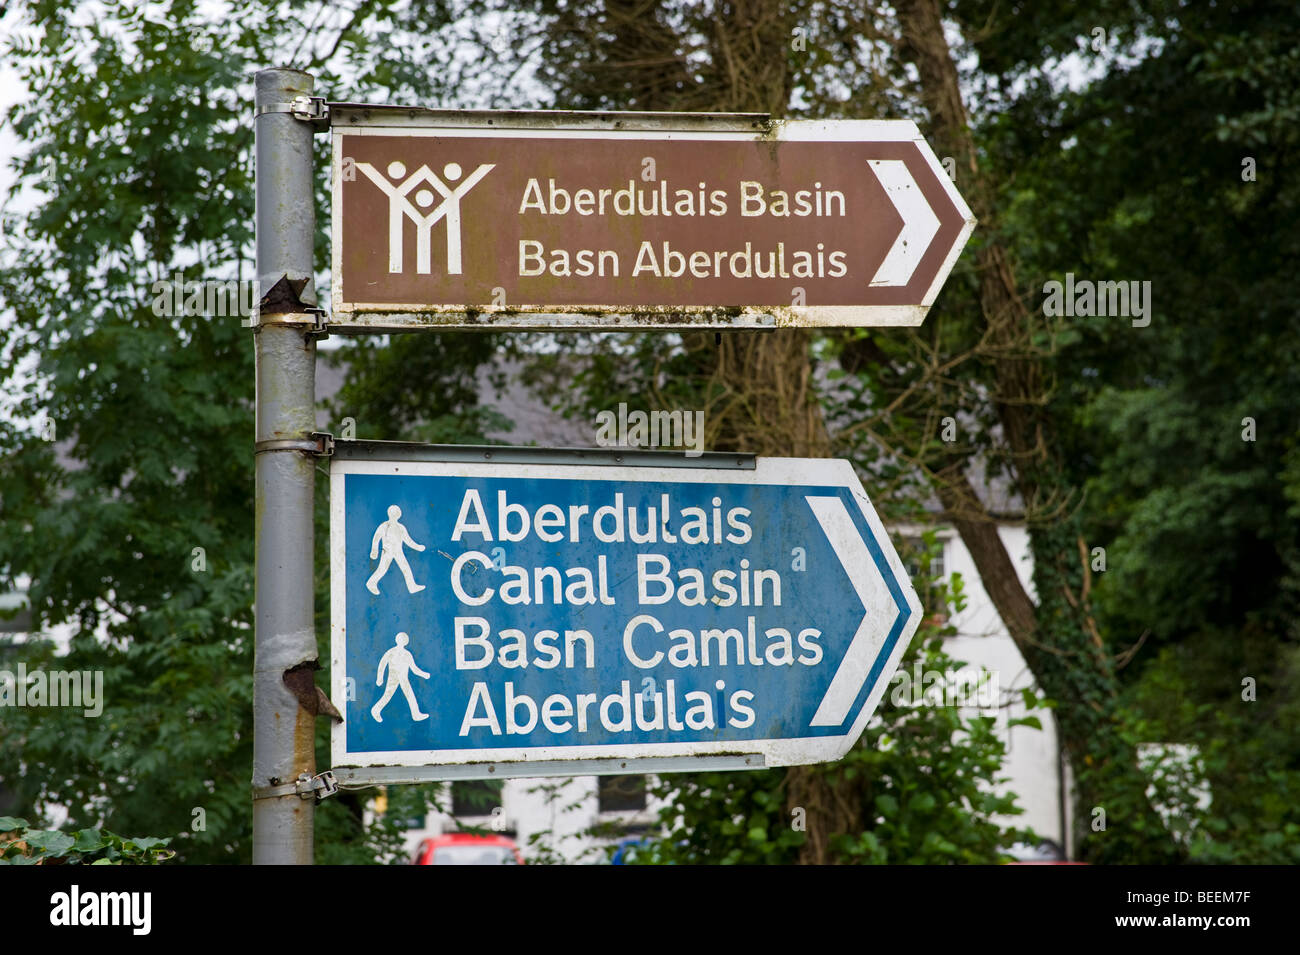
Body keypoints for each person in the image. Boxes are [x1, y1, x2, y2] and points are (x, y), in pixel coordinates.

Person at [366, 504, 426, 595]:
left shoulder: (401, 527)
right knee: (382, 569)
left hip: (398, 552)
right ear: (389, 514)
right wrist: (374, 551)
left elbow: (408, 540)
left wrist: (418, 547)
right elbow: (376, 538)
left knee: (406, 568)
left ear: (399, 515)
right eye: (393, 513)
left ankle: (412, 586)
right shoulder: (384, 526)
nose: (395, 515)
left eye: (396, 513)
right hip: (387, 552)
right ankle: (371, 583)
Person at [371, 632, 430, 723]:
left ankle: (416, 714)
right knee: (387, 696)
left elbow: (414, 669)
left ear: (406, 642)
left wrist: (424, 674)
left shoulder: (407, 654)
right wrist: (380, 678)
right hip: (393, 677)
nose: (402, 641)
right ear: (396, 640)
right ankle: (375, 710)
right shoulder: (391, 652)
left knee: (410, 695)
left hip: (403, 678)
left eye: (404, 640)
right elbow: (382, 664)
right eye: (400, 639)